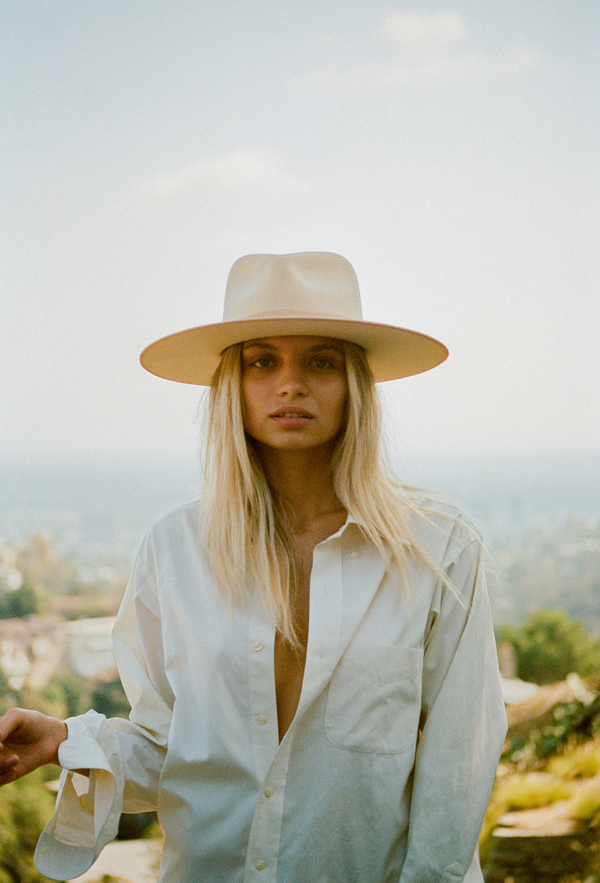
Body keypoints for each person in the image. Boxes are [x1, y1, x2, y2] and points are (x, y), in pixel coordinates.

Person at [0, 252, 507, 882]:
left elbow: (457, 765)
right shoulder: (173, 550)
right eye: (261, 361)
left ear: (354, 383)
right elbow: (171, 749)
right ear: (230, 386)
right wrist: (63, 741)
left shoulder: (439, 550)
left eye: (320, 361)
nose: (289, 384)